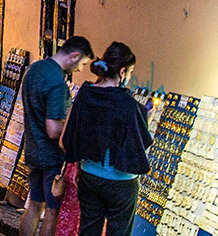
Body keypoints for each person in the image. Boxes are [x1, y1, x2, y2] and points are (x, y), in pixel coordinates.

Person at [61, 42, 152, 236]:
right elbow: (139, 145)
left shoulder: (86, 95)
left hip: (89, 176)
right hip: (121, 183)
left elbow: (74, 135)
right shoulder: (129, 105)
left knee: (88, 230)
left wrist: (78, 167)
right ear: (122, 72)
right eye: (130, 72)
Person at [19, 36, 94, 236]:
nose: (79, 69)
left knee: (34, 206)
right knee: (52, 212)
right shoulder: (57, 84)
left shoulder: (34, 70)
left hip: (33, 150)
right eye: (82, 64)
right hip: (52, 157)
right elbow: (53, 129)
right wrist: (76, 130)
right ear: (74, 56)